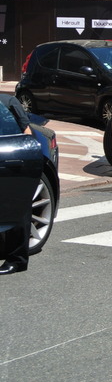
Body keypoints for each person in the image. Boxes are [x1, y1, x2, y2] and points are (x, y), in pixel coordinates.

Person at [0, 95, 32, 275]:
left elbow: (26, 132)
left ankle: (17, 259)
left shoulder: (7, 102)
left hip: (9, 160)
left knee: (17, 209)